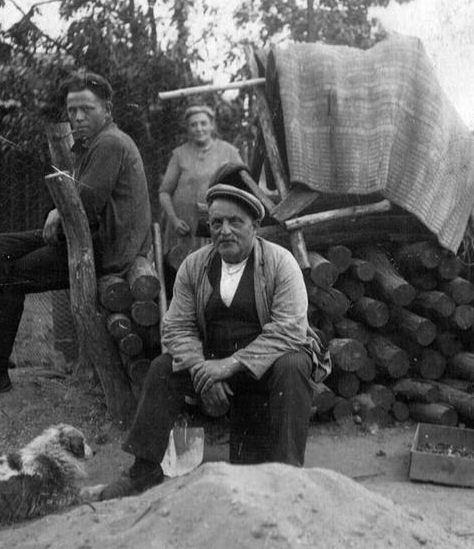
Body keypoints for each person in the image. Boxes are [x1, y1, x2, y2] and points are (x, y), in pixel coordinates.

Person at [99, 181, 330, 500]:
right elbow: (177, 328)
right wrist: (202, 372)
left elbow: (290, 329)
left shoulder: (281, 263)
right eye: (217, 222)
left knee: (294, 364)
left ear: (255, 226)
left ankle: (288, 474)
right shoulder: (194, 265)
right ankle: (144, 470)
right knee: (163, 368)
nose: (225, 231)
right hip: (213, 365)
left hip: (265, 368)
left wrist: (229, 366)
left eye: (235, 222)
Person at [0, 71, 152, 393]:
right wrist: (59, 214)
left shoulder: (110, 143)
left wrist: (57, 213)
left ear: (107, 109)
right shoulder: (96, 142)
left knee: (7, 268)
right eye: (72, 110)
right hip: (88, 237)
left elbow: (86, 204)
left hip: (106, 250)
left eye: (86, 109)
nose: (77, 117)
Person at [159, 105, 244, 258]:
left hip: (218, 227)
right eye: (193, 125)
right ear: (188, 128)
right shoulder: (179, 154)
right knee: (182, 266)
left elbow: (244, 189)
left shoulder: (228, 152)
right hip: (185, 230)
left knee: (216, 264)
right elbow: (164, 193)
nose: (199, 128)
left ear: (212, 125)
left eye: (203, 123)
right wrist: (174, 220)